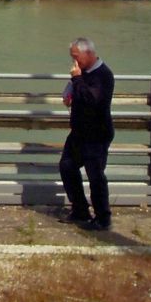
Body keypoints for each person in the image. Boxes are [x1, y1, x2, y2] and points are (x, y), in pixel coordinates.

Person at [60, 36, 114, 231]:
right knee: (67, 167)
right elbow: (79, 93)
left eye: (76, 57)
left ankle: (103, 217)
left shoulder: (103, 74)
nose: (74, 61)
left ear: (89, 53)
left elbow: (93, 99)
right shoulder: (81, 73)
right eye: (72, 57)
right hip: (79, 133)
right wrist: (69, 95)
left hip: (97, 134)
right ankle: (80, 209)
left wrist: (77, 78)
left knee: (95, 175)